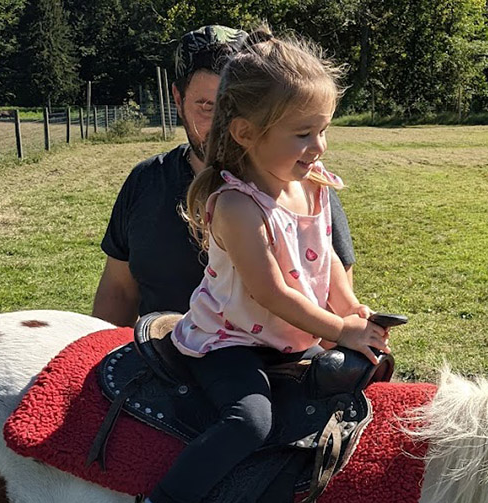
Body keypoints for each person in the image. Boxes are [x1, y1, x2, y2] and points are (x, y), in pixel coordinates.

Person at [103, 26, 390, 503]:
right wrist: (340, 330)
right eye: (304, 133)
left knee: (361, 384)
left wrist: (350, 307)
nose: (320, 148)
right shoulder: (235, 205)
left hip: (283, 341)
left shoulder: (308, 186)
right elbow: (270, 293)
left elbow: (327, 258)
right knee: (249, 420)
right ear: (246, 134)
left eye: (324, 130)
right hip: (230, 340)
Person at [92, 25, 357, 327]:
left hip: (279, 360)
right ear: (177, 99)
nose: (225, 125)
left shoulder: (304, 187)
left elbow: (332, 291)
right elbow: (118, 292)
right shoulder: (146, 182)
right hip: (174, 360)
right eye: (208, 107)